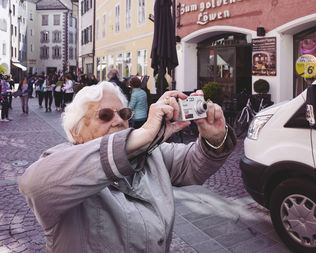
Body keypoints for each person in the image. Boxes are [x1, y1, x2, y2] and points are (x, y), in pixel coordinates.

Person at [18, 81, 236, 252]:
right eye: (104, 115)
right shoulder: (62, 160)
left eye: (123, 114)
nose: (118, 121)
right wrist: (144, 134)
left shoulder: (150, 154)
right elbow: (34, 185)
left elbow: (192, 165)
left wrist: (213, 138)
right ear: (76, 131)